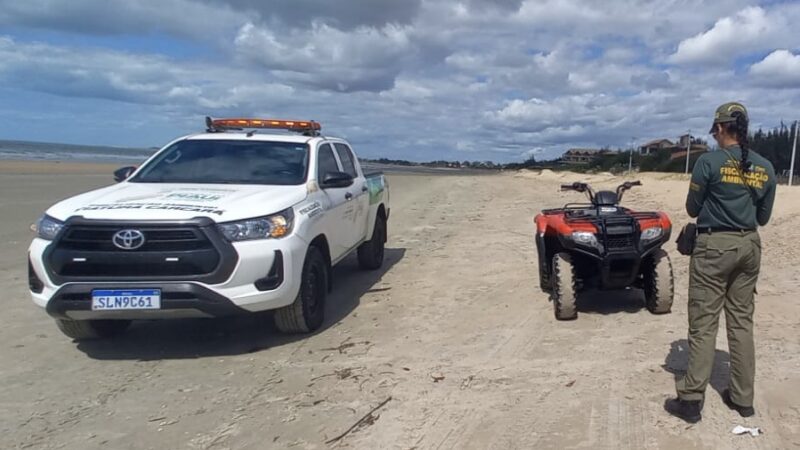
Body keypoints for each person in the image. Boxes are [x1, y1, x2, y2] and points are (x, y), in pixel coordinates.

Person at [664, 102, 777, 423]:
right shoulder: (766, 166)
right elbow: (763, 217)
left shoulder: (708, 162)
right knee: (741, 322)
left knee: (703, 323)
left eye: (714, 129)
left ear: (720, 128)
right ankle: (743, 399)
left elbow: (692, 207)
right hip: (749, 245)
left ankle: (691, 399)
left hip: (714, 247)